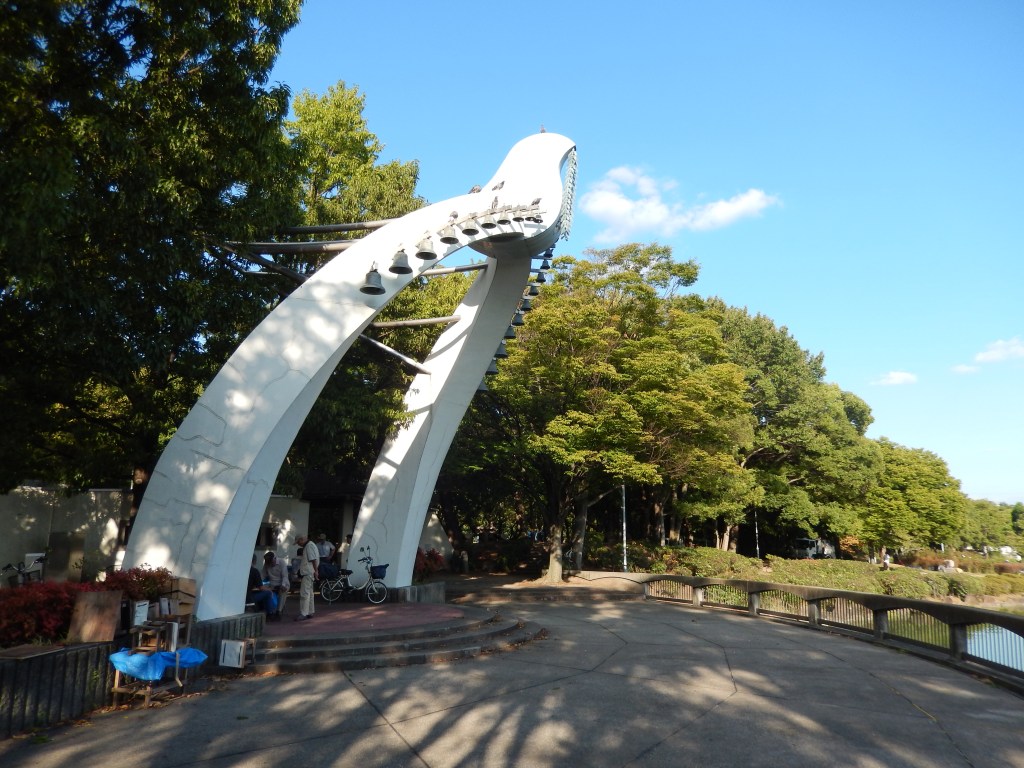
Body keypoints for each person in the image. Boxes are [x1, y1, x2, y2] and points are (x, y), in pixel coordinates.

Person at [295, 534, 319, 621]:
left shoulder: (309, 546)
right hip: (310, 572)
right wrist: (315, 571)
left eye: (298, 542)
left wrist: (316, 571)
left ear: (301, 540)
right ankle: (310, 611)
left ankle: (304, 613)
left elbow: (313, 559)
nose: (298, 544)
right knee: (310, 593)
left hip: (308, 572)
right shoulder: (310, 545)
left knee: (304, 593)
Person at [261, 551, 290, 621]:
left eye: (271, 562)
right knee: (264, 591)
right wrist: (259, 584)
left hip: (282, 582)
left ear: (274, 558)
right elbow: (262, 575)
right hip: (271, 584)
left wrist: (283, 585)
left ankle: (278, 611)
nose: (270, 564)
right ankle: (269, 611)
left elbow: (285, 576)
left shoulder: (281, 562)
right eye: (269, 563)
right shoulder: (266, 564)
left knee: (282, 592)